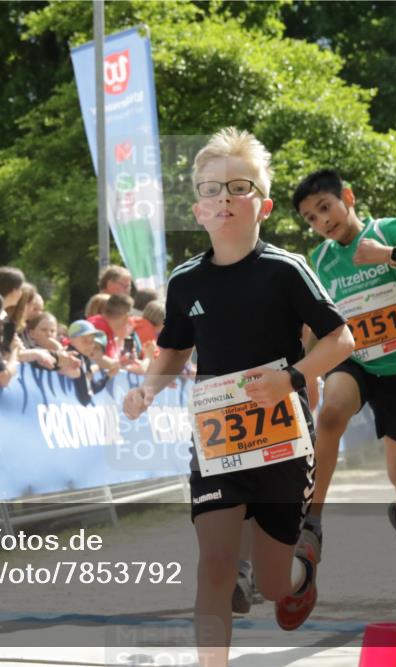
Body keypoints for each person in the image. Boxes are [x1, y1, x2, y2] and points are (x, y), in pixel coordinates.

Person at [123, 129, 354, 666]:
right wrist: (147, 390)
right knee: (216, 566)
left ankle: (303, 565)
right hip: (218, 443)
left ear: (264, 205)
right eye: (212, 189)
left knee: (274, 586)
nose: (224, 196)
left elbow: (342, 338)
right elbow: (175, 350)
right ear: (198, 209)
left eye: (239, 186)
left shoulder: (287, 270)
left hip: (281, 443)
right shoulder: (184, 283)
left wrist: (293, 379)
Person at [293, 168, 396, 575]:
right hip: (353, 360)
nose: (322, 221)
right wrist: (308, 372)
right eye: (311, 219)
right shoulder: (320, 260)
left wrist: (390, 256)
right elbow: (312, 326)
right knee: (330, 415)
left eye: (324, 207)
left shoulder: (387, 231)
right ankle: (312, 522)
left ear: (347, 197)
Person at [63, 319, 115, 405]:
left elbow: (90, 391)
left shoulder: (85, 359)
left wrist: (108, 376)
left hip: (78, 408)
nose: (89, 344)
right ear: (71, 341)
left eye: (91, 341)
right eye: (84, 340)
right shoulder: (70, 356)